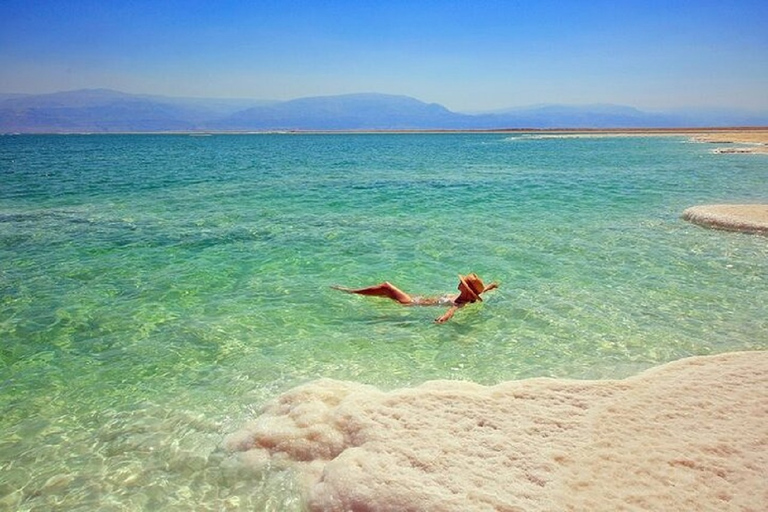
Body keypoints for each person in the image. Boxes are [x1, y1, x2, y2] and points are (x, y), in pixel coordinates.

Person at [331, 273, 498, 323]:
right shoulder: (467, 297)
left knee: (386, 287)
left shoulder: (461, 301)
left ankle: (351, 291)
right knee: (385, 292)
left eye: (462, 283)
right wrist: (490, 286)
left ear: (466, 289)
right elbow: (480, 293)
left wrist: (444, 317)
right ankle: (356, 292)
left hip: (411, 304)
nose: (459, 283)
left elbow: (454, 309)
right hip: (417, 299)